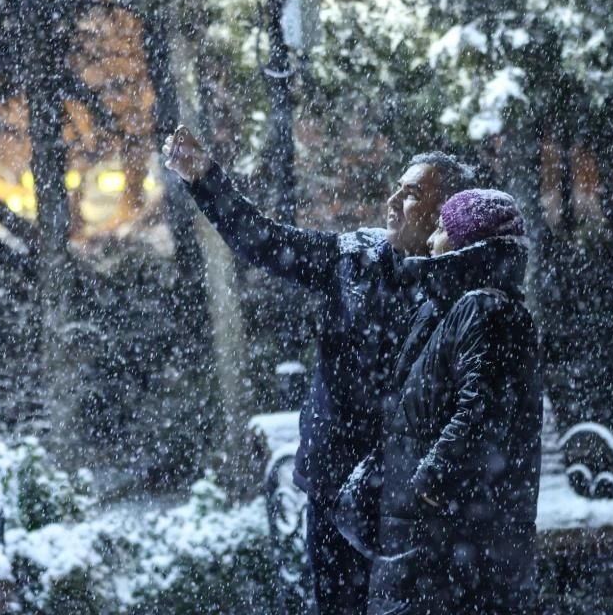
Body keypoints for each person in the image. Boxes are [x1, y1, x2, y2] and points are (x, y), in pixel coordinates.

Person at [161, 126, 476, 615]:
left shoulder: (460, 291)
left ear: (444, 211)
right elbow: (262, 241)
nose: (392, 200)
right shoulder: (354, 258)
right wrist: (205, 178)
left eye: (411, 193)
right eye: (396, 186)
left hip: (411, 501)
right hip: (334, 487)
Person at [339, 188, 541, 615]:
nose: (431, 240)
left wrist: (429, 484)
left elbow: (482, 409)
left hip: (444, 538)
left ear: (470, 243)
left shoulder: (481, 307)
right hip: (436, 536)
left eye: (443, 228)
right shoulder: (457, 308)